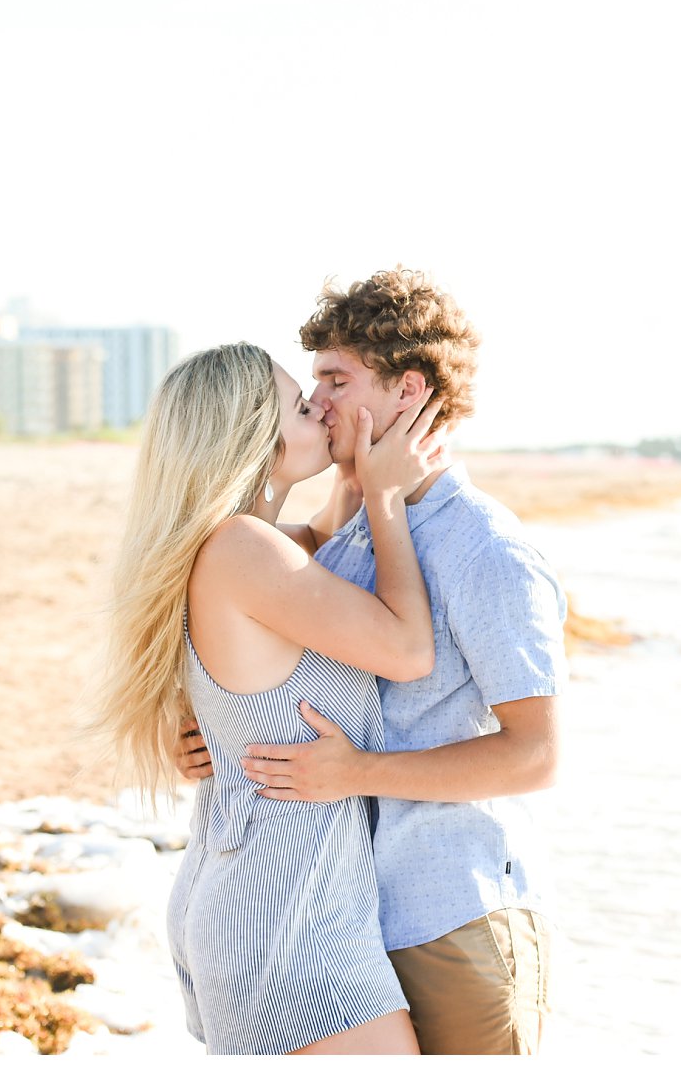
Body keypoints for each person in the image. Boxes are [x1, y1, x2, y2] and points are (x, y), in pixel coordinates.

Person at [179, 271, 566, 1055]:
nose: (318, 403)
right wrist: (205, 737)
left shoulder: (486, 551)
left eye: (335, 380)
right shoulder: (351, 536)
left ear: (407, 391)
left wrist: (356, 773)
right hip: (338, 919)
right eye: (312, 383)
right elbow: (238, 635)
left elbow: (537, 754)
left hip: (450, 914)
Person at [86, 340, 451, 1055]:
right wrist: (383, 496)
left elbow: (324, 543)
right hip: (289, 919)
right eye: (301, 403)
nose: (320, 406)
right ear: (253, 433)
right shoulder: (244, 550)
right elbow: (408, 651)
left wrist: (361, 463)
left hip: (254, 896)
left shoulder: (235, 547)